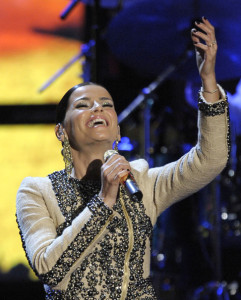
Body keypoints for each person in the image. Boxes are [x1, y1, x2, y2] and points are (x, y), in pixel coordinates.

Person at [16, 17, 230, 300]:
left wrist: (209, 82)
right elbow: (49, 268)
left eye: (107, 105)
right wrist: (104, 200)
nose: (98, 108)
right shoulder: (37, 192)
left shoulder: (141, 182)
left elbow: (211, 160)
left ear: (116, 128)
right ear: (62, 131)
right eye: (83, 105)